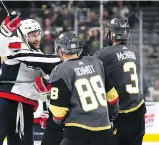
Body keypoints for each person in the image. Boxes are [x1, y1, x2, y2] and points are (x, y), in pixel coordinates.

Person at [0, 11, 61, 145]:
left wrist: (45, 110)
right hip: (3, 104)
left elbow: (45, 88)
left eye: (38, 34)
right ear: (23, 36)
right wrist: (6, 31)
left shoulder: (40, 56)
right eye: (33, 35)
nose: (37, 38)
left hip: (26, 109)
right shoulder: (15, 45)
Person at [37, 31, 119, 145]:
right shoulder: (96, 62)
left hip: (78, 131)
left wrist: (54, 119)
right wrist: (111, 116)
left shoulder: (61, 70)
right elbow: (113, 97)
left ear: (60, 50)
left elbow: (59, 113)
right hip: (105, 130)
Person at [94, 17, 146, 145]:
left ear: (114, 33)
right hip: (138, 109)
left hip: (119, 113)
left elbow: (88, 67)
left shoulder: (104, 54)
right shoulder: (135, 51)